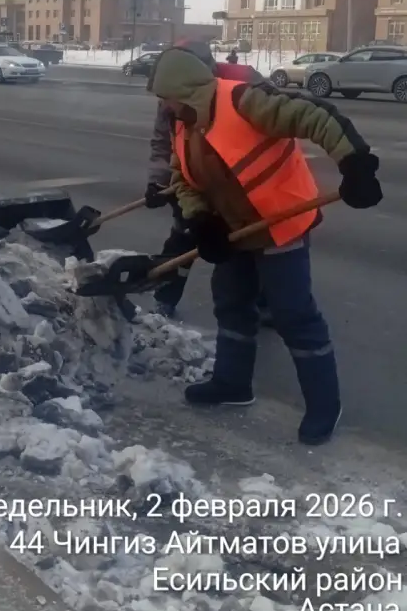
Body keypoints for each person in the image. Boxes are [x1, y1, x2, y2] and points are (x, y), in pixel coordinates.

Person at [148, 46, 382, 445]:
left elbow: (313, 115)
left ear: (185, 90)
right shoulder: (185, 123)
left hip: (280, 222)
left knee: (293, 315)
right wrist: (201, 219)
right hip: (235, 228)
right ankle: (232, 384)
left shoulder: (242, 100)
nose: (164, 107)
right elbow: (184, 178)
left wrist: (354, 162)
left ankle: (325, 404)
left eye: (166, 97)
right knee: (232, 305)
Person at [145, 41, 273, 325]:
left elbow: (277, 125)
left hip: (240, 179)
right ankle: (165, 297)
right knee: (184, 235)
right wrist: (158, 181)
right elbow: (163, 142)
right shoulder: (172, 92)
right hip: (195, 174)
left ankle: (266, 302)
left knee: (253, 241)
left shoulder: (245, 81)